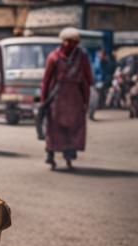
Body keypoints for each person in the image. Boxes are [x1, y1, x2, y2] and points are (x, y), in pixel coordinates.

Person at [40, 27, 93, 171]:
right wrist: (43, 99)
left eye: (75, 42)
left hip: (75, 97)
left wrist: (86, 100)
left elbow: (87, 79)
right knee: (54, 127)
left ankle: (69, 157)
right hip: (57, 96)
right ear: (63, 42)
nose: (71, 45)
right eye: (69, 42)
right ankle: (50, 154)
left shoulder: (82, 57)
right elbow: (46, 79)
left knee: (74, 128)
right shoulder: (54, 57)